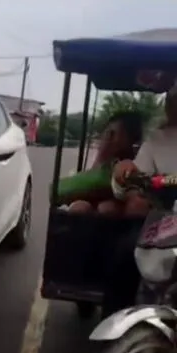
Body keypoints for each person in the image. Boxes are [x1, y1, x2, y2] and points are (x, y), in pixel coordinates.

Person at [102, 87, 177, 318]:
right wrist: (122, 174)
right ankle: (114, 325)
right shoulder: (158, 140)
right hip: (164, 220)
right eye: (173, 101)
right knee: (125, 254)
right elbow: (132, 184)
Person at [67, 111, 143, 215]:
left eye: (114, 134)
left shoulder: (133, 163)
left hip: (117, 210)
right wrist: (102, 156)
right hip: (89, 205)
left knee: (107, 208)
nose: (108, 138)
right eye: (108, 133)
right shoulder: (98, 158)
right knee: (79, 207)